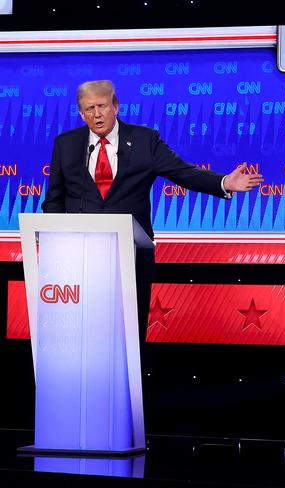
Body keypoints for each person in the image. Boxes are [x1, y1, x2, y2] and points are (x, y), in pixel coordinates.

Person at [42, 80, 264, 344]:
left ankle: (130, 385)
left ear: (116, 107)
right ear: (81, 113)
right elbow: (54, 198)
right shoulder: (66, 144)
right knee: (82, 334)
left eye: (102, 106)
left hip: (131, 255)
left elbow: (183, 173)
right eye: (89, 109)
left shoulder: (144, 140)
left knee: (129, 334)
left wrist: (223, 182)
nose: (96, 114)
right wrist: (53, 243)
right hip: (80, 257)